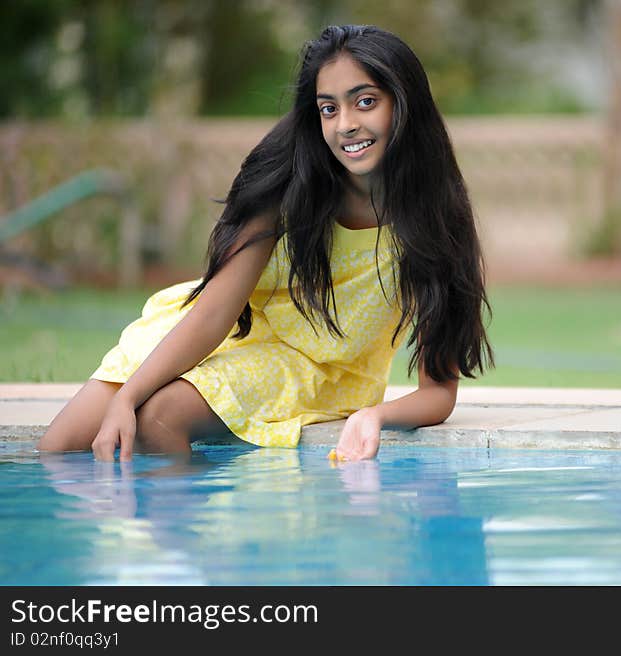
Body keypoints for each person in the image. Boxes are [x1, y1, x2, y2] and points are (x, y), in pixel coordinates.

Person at [37, 24, 494, 463]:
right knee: (59, 448)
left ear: (405, 103)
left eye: (366, 102)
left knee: (159, 417)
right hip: (224, 329)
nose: (346, 124)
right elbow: (216, 311)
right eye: (329, 109)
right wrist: (127, 395)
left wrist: (376, 415)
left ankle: (192, 538)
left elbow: (439, 393)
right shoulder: (290, 175)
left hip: (314, 369)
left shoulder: (439, 223)